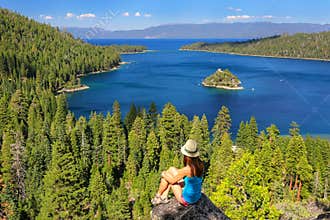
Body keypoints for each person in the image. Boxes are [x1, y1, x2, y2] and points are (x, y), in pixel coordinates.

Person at [151, 139, 204, 206]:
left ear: (187, 156)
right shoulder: (200, 164)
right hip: (196, 196)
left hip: (187, 200)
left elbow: (172, 181)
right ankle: (163, 197)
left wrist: (163, 174)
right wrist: (170, 172)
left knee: (166, 178)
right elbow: (178, 173)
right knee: (171, 169)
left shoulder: (187, 169)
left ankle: (158, 196)